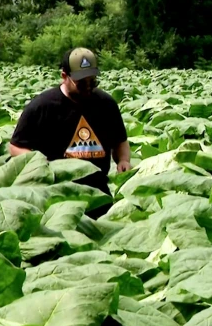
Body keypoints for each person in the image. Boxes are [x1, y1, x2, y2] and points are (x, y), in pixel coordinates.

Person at [9, 47, 131, 217]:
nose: (88, 87)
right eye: (81, 83)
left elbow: (120, 140)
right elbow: (16, 147)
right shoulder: (42, 106)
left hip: (97, 193)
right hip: (56, 194)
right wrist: (40, 165)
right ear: (64, 76)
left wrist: (123, 160)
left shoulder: (106, 104)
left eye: (92, 82)